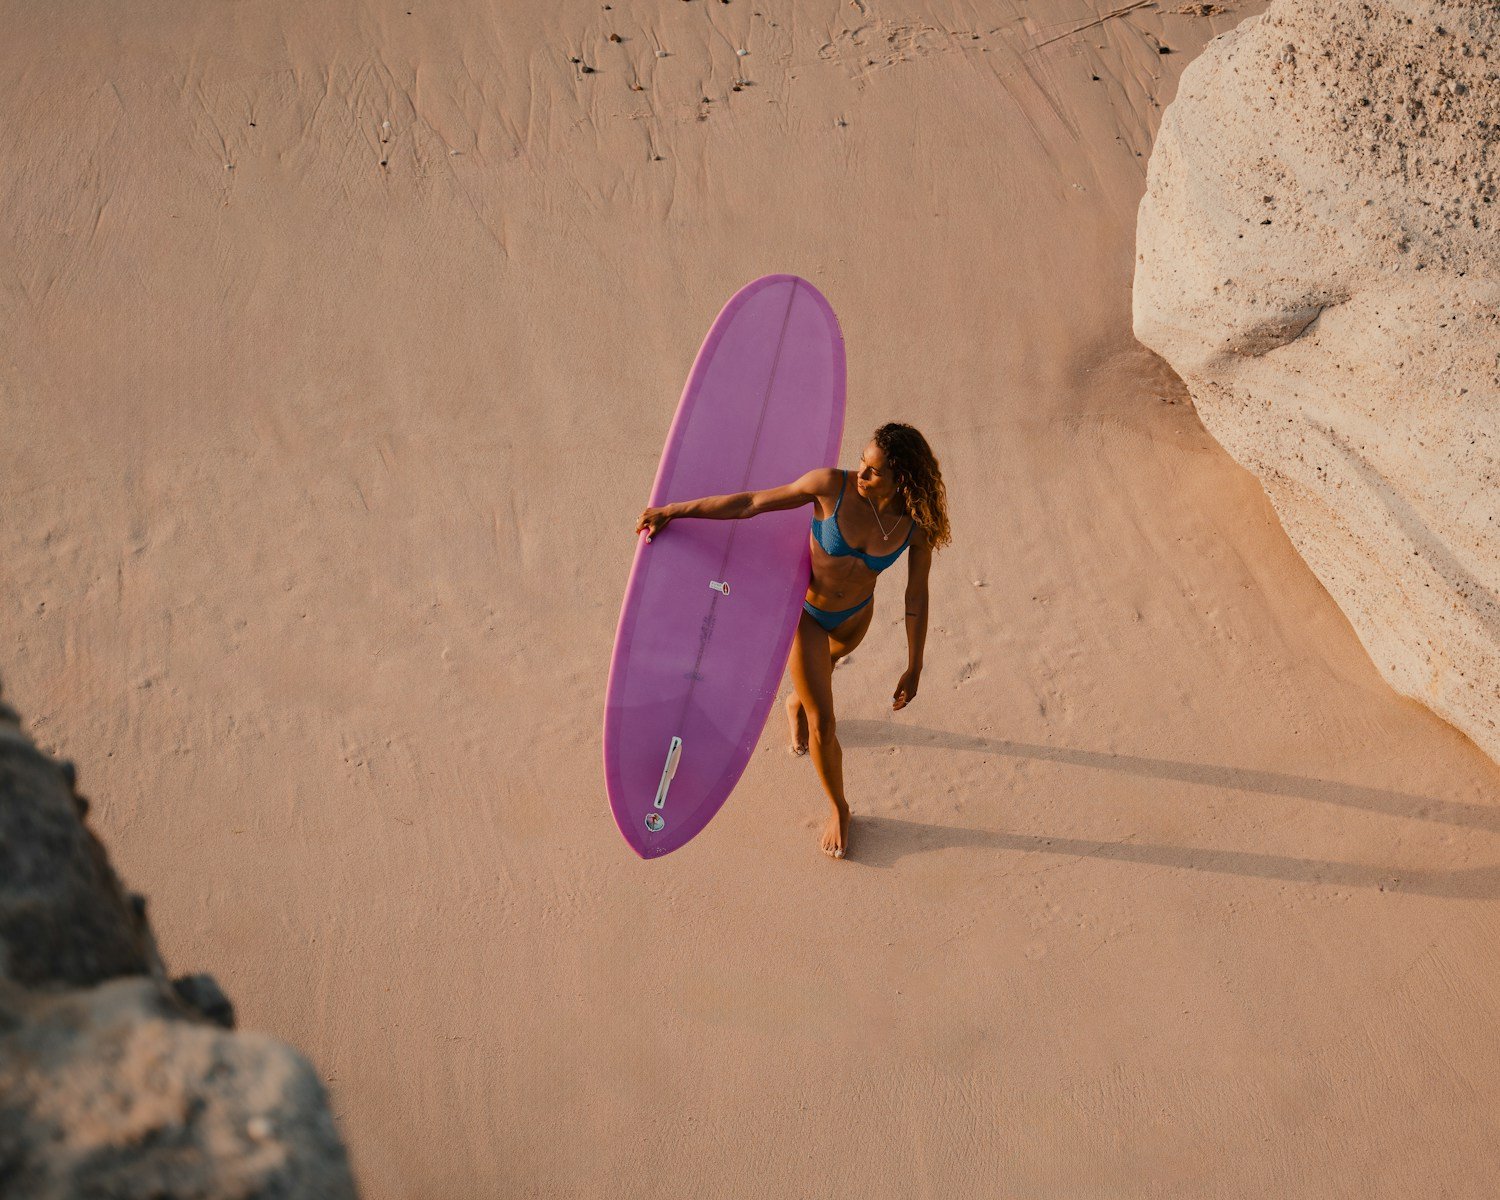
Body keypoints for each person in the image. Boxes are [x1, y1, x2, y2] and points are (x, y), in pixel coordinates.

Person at [634, 422, 951, 861]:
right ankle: (840, 807)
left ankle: (796, 700)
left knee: (818, 681)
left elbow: (916, 595)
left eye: (873, 471)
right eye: (861, 462)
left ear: (902, 478)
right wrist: (674, 510)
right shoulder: (829, 487)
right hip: (808, 617)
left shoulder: (915, 526)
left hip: (854, 622)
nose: (861, 473)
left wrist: (915, 665)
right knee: (825, 721)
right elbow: (751, 503)